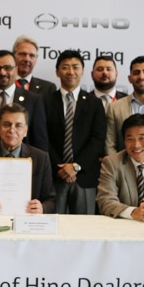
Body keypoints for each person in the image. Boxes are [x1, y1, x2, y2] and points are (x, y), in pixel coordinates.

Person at [0, 103, 55, 214]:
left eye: (18, 125)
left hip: (27, 221)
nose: (12, 130)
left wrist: (42, 208)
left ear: (25, 131)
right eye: (7, 124)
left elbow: (51, 201)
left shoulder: (40, 158)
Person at [45, 50, 106, 214]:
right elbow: (43, 139)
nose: (70, 72)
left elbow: (98, 140)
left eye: (75, 67)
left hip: (84, 176)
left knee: (84, 226)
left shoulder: (94, 104)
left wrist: (76, 166)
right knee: (52, 224)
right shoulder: (45, 101)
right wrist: (60, 167)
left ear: (82, 71)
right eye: (65, 67)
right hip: (54, 176)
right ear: (57, 72)